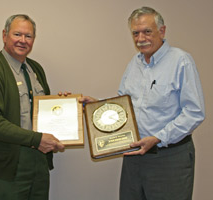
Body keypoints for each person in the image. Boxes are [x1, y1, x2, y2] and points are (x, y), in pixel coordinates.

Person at [80, 6, 205, 200]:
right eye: (135, 33)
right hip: (134, 156)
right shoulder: (134, 64)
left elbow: (194, 112)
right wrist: (99, 108)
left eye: (147, 31)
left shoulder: (181, 61)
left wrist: (158, 138)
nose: (140, 39)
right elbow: (125, 106)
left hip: (169, 158)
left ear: (161, 31)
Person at [0, 14, 65, 200]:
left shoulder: (35, 69)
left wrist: (64, 106)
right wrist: (36, 138)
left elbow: (45, 112)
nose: (23, 41)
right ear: (4, 35)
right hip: (10, 166)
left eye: (28, 36)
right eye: (17, 34)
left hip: (39, 160)